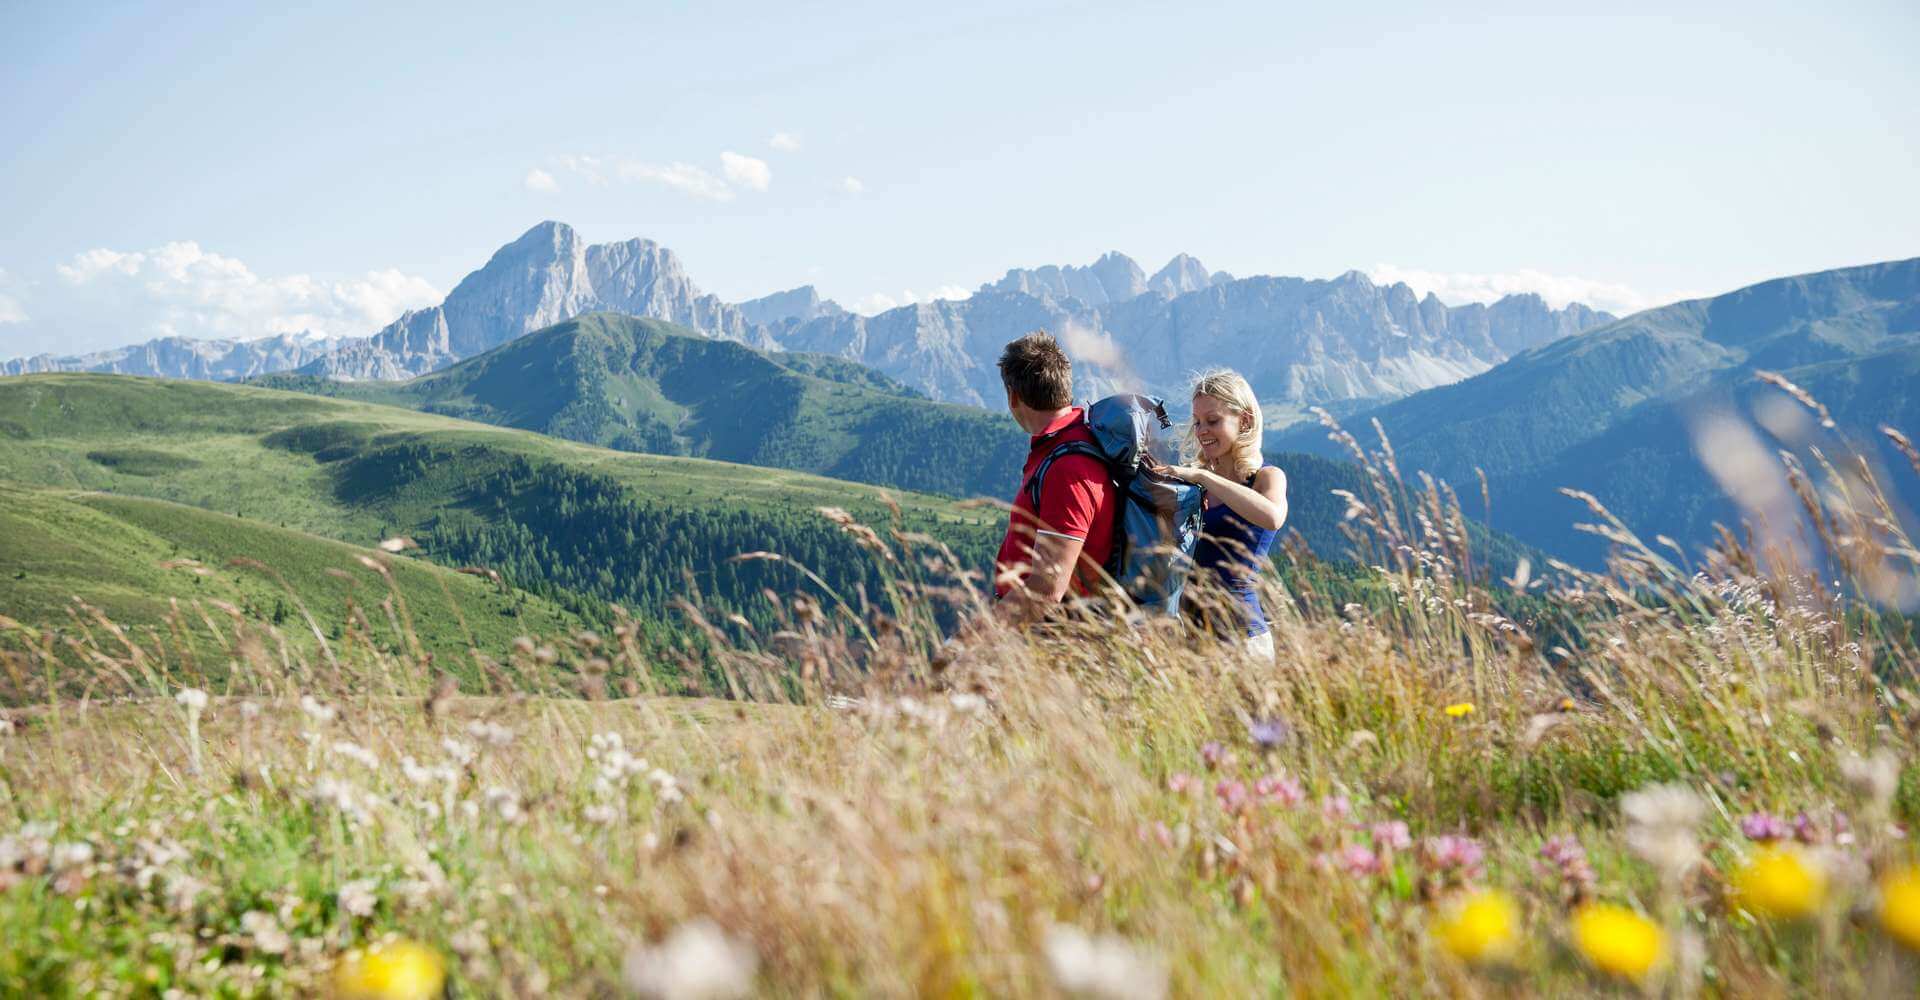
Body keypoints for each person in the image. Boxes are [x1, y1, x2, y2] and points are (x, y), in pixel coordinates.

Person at [1150, 369, 1287, 660]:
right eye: (1197, 422)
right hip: (1193, 638)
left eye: (1213, 421)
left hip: (1242, 640)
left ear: (1245, 420)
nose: (1201, 431)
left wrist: (1203, 478)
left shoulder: (1266, 479)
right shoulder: (1192, 488)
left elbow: (1272, 517)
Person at [990, 330, 1119, 623]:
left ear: (1013, 397)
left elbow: (1046, 590)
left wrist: (966, 643)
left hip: (1051, 635)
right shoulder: (1069, 445)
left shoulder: (1068, 467)